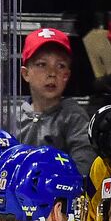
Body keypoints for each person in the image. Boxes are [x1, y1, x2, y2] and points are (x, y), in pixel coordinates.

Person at [16, 28, 94, 176]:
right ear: (26, 73)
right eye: (41, 64)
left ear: (67, 75)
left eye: (61, 66)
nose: (52, 73)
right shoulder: (14, 117)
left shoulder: (74, 116)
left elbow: (83, 170)